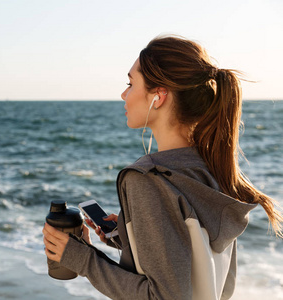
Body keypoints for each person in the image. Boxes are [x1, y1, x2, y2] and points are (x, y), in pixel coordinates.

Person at [42, 35, 282, 300]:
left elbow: (164, 296)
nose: (123, 94)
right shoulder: (214, 170)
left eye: (130, 83)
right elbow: (206, 271)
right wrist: (130, 237)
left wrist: (82, 258)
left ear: (159, 95)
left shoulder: (150, 180)